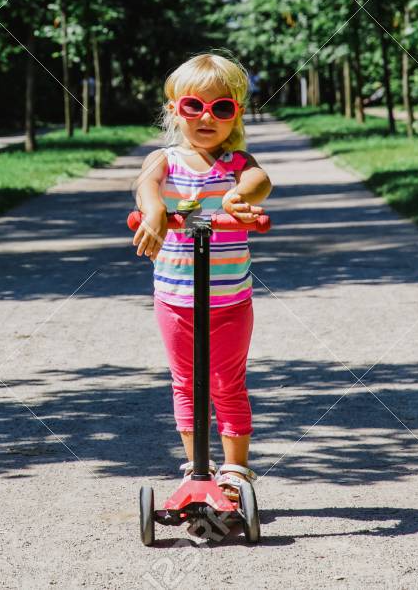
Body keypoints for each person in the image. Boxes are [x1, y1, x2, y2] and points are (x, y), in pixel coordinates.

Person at [130, 52, 273, 499]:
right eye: (195, 106)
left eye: (221, 108)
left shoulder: (237, 162)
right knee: (186, 382)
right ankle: (198, 468)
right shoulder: (164, 160)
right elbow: (144, 185)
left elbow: (261, 180)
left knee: (228, 382)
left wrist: (236, 197)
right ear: (175, 110)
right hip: (175, 298)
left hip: (230, 300)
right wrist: (153, 211)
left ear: (236, 115)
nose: (207, 117)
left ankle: (235, 470)